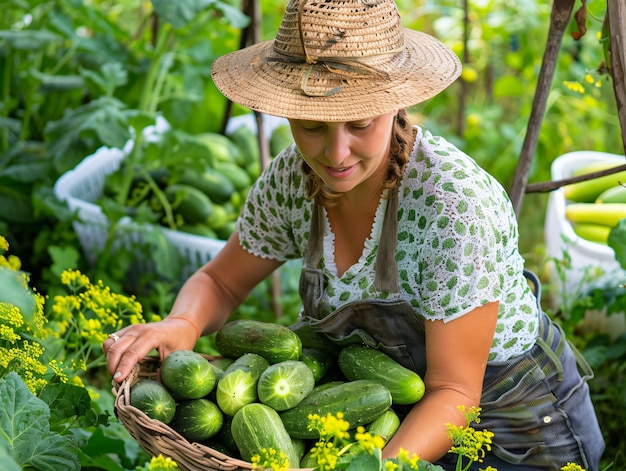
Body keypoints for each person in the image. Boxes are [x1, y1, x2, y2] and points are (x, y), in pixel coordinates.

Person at [103, 0, 605, 469]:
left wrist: (371, 465)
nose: (335, 154)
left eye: (360, 125)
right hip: (384, 413)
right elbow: (222, 283)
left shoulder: (453, 207)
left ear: (395, 104)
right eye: (313, 127)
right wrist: (183, 324)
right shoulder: (292, 180)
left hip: (511, 423)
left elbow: (454, 391)